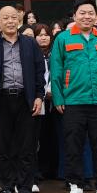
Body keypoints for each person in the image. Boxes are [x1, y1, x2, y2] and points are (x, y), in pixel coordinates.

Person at [50, 0, 97, 193]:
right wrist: (58, 97)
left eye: (91, 13)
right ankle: (75, 187)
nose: (87, 16)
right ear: (74, 16)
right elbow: (56, 70)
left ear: (96, 16)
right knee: (73, 145)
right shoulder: (63, 39)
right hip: (73, 101)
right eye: (82, 13)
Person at [0, 7, 45, 193]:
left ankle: (24, 189)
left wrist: (39, 96)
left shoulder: (30, 43)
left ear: (19, 20)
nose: (10, 21)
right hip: (1, 100)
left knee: (27, 147)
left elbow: (39, 71)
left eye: (13, 17)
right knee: (1, 147)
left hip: (26, 99)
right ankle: (6, 188)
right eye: (5, 18)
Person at [32, 24, 60, 184]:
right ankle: (39, 170)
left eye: (46, 34)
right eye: (40, 35)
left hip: (55, 101)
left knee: (53, 137)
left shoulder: (55, 53)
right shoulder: (32, 53)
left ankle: (53, 169)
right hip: (38, 101)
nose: (43, 37)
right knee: (38, 137)